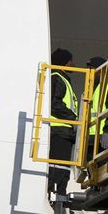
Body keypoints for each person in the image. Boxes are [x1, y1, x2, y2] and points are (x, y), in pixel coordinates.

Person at [49, 48, 77, 199]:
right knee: (58, 165)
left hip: (64, 131)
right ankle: (56, 192)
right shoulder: (57, 78)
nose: (74, 64)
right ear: (65, 62)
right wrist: (73, 117)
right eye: (71, 61)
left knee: (62, 165)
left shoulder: (62, 79)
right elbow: (54, 103)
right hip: (59, 130)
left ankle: (59, 190)